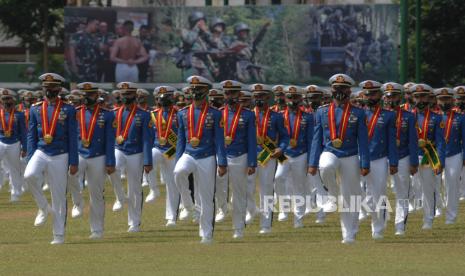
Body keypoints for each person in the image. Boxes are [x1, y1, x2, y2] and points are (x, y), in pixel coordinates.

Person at [309, 73, 370, 244]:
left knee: (350, 197)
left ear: (349, 91)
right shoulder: (321, 112)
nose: (339, 92)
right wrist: (313, 163)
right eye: (336, 88)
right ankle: (332, 196)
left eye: (343, 88)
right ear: (331, 90)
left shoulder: (358, 113)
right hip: (330, 151)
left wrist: (364, 163)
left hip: (350, 155)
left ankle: (349, 233)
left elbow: (363, 140)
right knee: (326, 166)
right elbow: (316, 139)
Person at [24, 73, 78, 244]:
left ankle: (58, 235)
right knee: (29, 175)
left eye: (52, 87)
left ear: (59, 89)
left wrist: (73, 161)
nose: (48, 90)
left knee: (58, 195)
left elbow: (72, 137)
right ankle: (43, 208)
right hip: (41, 150)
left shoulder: (68, 109)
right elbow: (31, 135)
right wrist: (30, 157)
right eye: (46, 87)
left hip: (61, 153)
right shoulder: (35, 108)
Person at [173, 75, 227, 244]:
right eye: (193, 89)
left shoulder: (215, 114)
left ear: (206, 92)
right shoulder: (182, 113)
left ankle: (206, 234)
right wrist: (178, 158)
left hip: (207, 157)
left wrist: (222, 162)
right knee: (178, 171)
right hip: (189, 153)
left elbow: (219, 139)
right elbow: (181, 139)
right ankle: (188, 206)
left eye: (199, 90)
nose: (195, 92)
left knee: (206, 197)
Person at [70, 82, 116, 239]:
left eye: (89, 95)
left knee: (96, 193)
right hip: (79, 154)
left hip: (99, 156)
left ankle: (97, 230)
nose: (86, 98)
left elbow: (110, 140)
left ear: (97, 96)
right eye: (84, 95)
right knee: (69, 176)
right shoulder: (75, 112)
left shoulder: (107, 114)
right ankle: (77, 202)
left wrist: (110, 162)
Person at [111, 82, 153, 232]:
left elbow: (148, 140)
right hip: (119, 148)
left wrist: (148, 161)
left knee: (134, 188)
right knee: (113, 169)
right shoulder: (115, 113)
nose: (125, 97)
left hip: (136, 152)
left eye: (128, 94)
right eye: (123, 94)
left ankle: (134, 222)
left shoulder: (144, 115)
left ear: (134, 95)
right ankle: (120, 197)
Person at [359, 80, 398, 240]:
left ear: (380, 95)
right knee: (358, 193)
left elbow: (391, 141)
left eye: (373, 93)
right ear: (362, 95)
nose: (370, 96)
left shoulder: (388, 115)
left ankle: (378, 229)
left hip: (379, 159)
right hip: (359, 158)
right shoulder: (357, 113)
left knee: (379, 194)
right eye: (367, 94)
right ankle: (357, 220)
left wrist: (393, 162)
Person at [219, 80, 256, 239]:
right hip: (221, 156)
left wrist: (252, 162)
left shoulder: (248, 115)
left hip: (241, 156)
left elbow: (252, 140)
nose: (230, 96)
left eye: (233, 93)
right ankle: (221, 210)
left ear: (239, 95)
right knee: (218, 189)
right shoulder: (218, 113)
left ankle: (238, 227)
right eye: (227, 93)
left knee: (239, 194)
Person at [250, 83, 289, 234]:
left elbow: (285, 136)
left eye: (261, 96)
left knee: (266, 189)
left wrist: (281, 148)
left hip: (269, 155)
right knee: (247, 187)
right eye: (255, 96)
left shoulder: (276, 117)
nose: (258, 99)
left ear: (267, 97)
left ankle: (265, 224)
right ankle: (251, 209)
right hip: (251, 156)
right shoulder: (247, 114)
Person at [274, 85, 314, 229]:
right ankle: (284, 209)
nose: (292, 100)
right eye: (290, 97)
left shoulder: (308, 117)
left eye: (296, 97)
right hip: (284, 154)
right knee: (278, 178)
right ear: (285, 98)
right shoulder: (278, 116)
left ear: (301, 98)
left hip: (301, 153)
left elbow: (311, 139)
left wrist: (311, 160)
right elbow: (274, 137)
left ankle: (298, 218)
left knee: (299, 185)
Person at [382, 82, 418, 236]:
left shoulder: (408, 116)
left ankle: (399, 226)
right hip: (382, 157)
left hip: (402, 155)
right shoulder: (379, 114)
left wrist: (414, 162)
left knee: (402, 192)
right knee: (377, 192)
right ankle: (380, 223)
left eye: (395, 96)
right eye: (389, 96)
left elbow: (413, 140)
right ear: (384, 97)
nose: (391, 99)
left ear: (400, 96)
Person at [410, 83, 445, 230]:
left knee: (428, 188)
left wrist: (440, 162)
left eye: (423, 96)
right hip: (410, 156)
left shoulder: (437, 118)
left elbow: (441, 142)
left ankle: (428, 219)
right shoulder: (408, 117)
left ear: (429, 98)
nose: (420, 100)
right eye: (417, 97)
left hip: (429, 156)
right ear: (413, 98)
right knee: (413, 187)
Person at [149, 86, 180, 227]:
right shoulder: (154, 114)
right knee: (148, 160)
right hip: (158, 148)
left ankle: (171, 217)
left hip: (172, 152)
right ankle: (153, 189)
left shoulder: (179, 114)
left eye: (166, 97)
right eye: (161, 97)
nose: (163, 100)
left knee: (172, 185)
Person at [434, 88, 465, 225]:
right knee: (433, 183)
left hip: (454, 153)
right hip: (435, 154)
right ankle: (436, 209)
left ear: (452, 100)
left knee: (452, 184)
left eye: (447, 99)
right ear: (437, 101)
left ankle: (451, 217)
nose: (444, 102)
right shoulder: (433, 117)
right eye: (441, 99)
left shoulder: (460, 118)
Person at [0, 89, 27, 202]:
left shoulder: (19, 115)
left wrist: (24, 147)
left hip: (14, 143)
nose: (7, 101)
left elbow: (23, 132)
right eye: (4, 99)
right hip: (1, 141)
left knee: (14, 169)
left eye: (9, 99)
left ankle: (15, 193)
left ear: (13, 100)